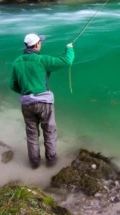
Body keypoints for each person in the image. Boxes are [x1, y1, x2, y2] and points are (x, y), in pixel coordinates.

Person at [10, 33, 74, 169]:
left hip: (26, 104)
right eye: (40, 42)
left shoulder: (17, 62)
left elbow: (13, 85)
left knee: (32, 134)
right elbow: (66, 62)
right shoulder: (42, 60)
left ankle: (34, 163)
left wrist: (25, 92)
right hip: (44, 103)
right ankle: (51, 162)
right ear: (37, 44)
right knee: (49, 131)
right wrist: (69, 48)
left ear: (26, 45)